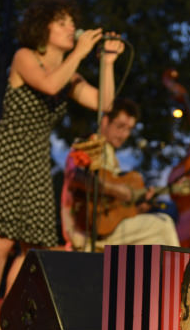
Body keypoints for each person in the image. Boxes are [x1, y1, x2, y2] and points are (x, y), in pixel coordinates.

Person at [0, 0, 124, 330]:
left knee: (30, 247)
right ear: (43, 27)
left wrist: (107, 62)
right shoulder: (25, 57)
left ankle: (6, 317)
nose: (69, 28)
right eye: (61, 22)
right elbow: (49, 85)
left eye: (70, 22)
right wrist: (79, 51)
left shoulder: (71, 73)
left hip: (34, 163)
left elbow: (104, 104)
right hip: (5, 155)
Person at [61, 98, 180, 250]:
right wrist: (119, 191)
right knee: (164, 224)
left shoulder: (112, 156)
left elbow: (113, 212)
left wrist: (138, 208)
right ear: (104, 121)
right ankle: (183, 272)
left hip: (106, 231)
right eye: (120, 126)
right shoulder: (90, 145)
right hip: (85, 232)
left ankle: (164, 272)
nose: (124, 134)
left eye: (129, 129)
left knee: (152, 242)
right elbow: (75, 176)